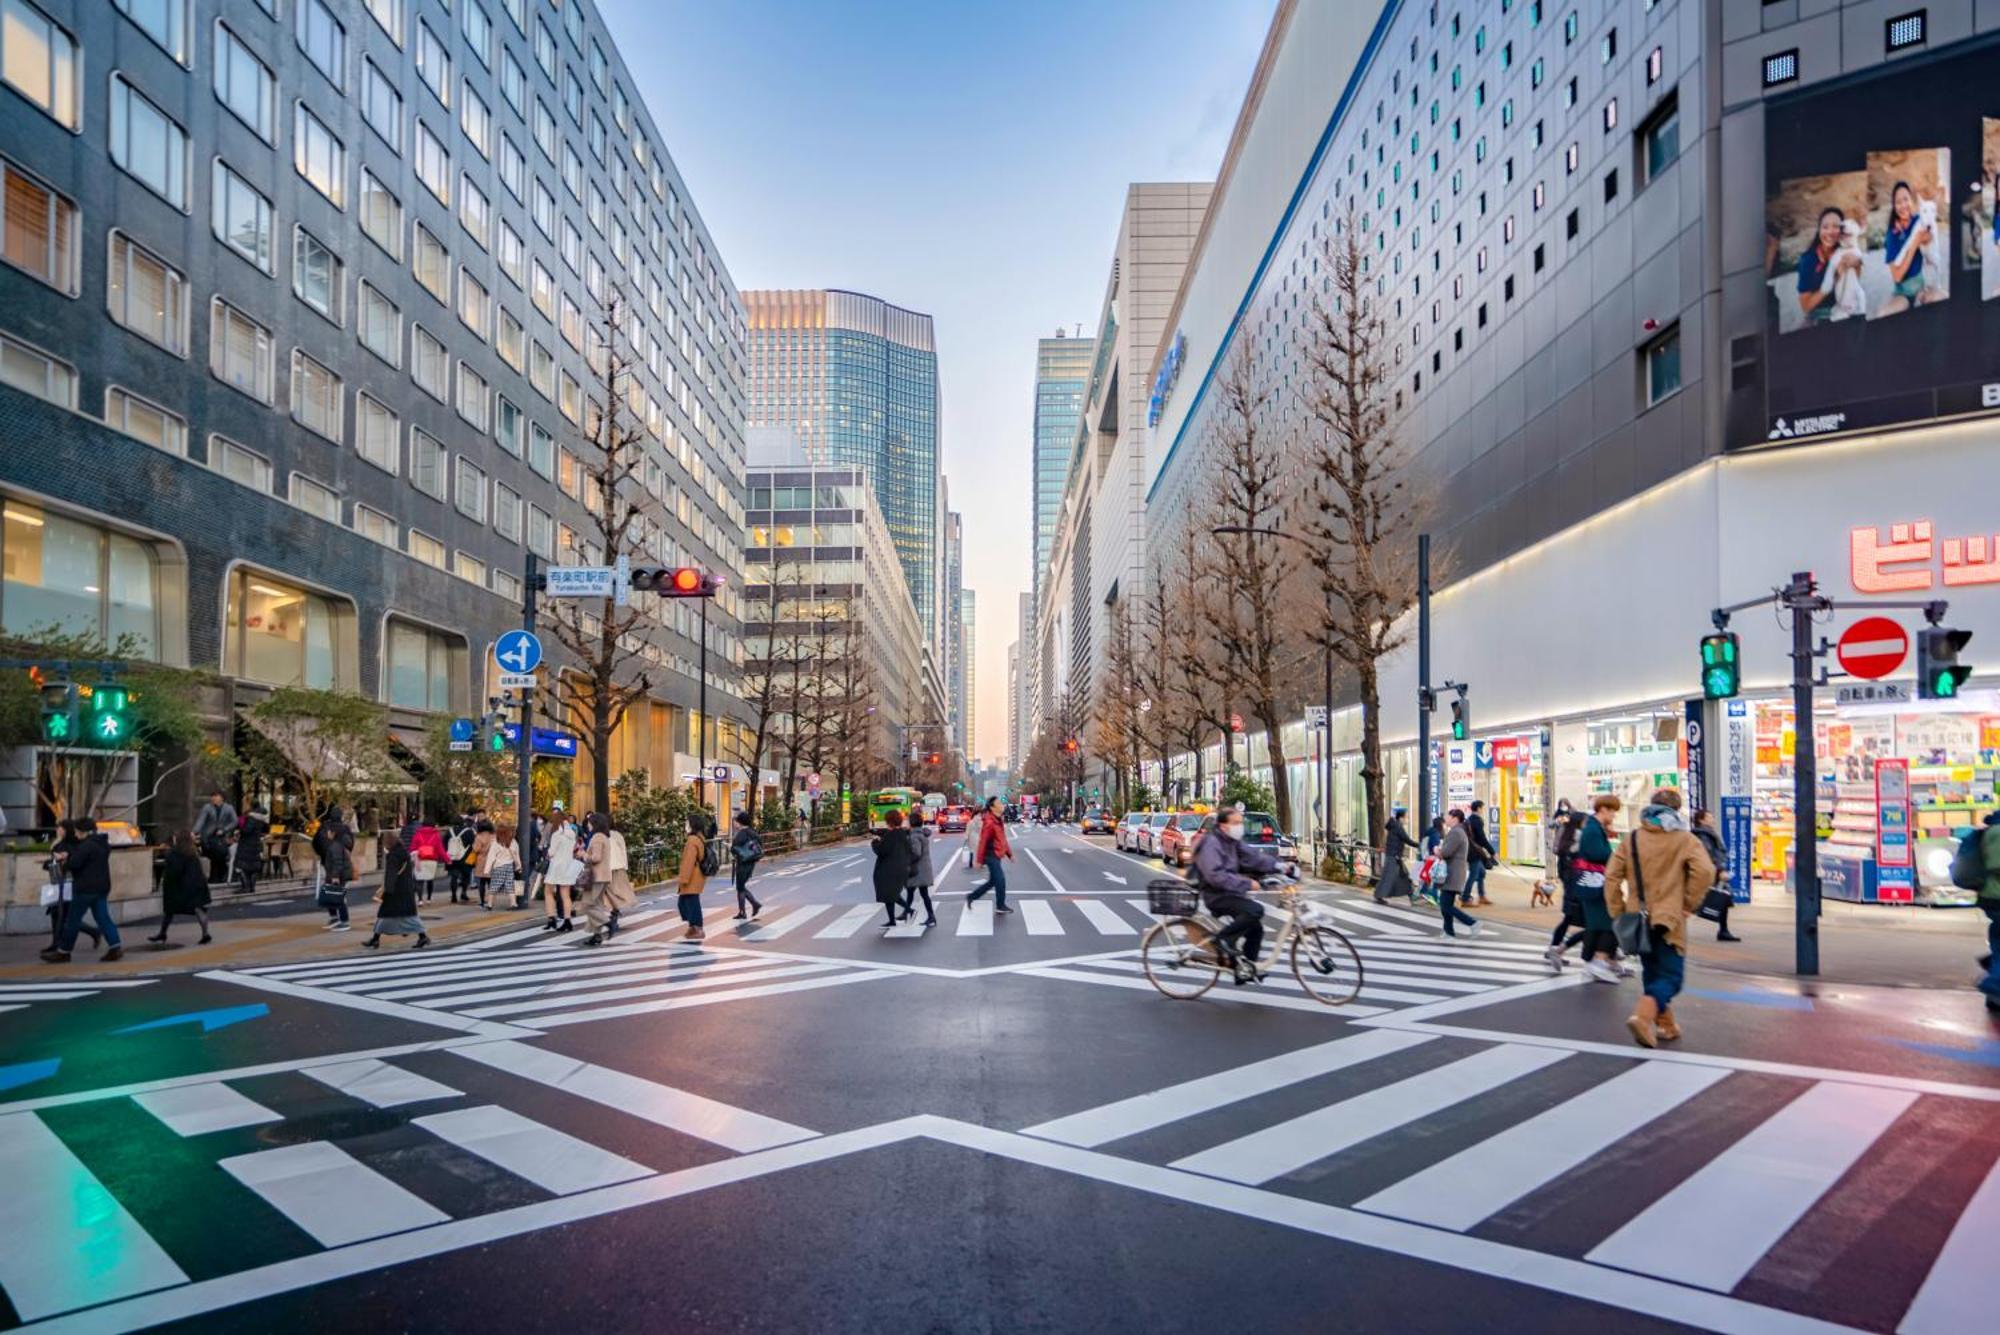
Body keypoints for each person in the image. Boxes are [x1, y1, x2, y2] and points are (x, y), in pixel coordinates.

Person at [1604, 788, 1715, 1048]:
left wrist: (1619, 912)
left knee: (1653, 971)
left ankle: (1666, 1025)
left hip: (1636, 916)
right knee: (1672, 978)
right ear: (1676, 811)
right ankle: (1642, 1017)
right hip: (1669, 918)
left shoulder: (1631, 839)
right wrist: (1689, 902)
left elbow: (1611, 877)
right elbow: (1705, 871)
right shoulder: (1684, 839)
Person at [1192, 808, 1283, 985]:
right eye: (1235, 823)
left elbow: (1255, 858)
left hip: (1230, 893)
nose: (1239, 827)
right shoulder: (1212, 843)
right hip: (1216, 895)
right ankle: (1222, 940)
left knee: (1256, 928)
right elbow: (1215, 876)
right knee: (1256, 910)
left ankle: (1245, 969)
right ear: (1222, 826)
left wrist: (1281, 867)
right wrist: (1248, 884)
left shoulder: (1233, 842)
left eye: (1241, 823)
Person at [41, 818, 122, 963]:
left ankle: (64, 952)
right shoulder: (102, 844)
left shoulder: (86, 846)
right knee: (103, 918)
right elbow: (87, 860)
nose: (76, 834)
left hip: (85, 888)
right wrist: (70, 856)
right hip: (102, 886)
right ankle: (115, 946)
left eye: (77, 831)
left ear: (83, 831)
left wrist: (64, 860)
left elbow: (74, 864)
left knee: (72, 920)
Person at [1573, 795, 1625, 981]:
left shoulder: (1594, 827)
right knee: (1610, 922)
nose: (1613, 815)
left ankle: (1597, 962)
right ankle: (1599, 962)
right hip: (1594, 882)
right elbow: (1595, 853)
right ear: (1603, 809)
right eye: (1612, 811)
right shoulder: (1593, 829)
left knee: (1596, 925)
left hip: (1592, 882)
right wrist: (1614, 854)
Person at [1876, 180, 1939, 316]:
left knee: (1943, 297)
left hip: (1922, 288)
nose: (1903, 205)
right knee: (1883, 314)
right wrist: (1915, 243)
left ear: (1912, 201)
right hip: (1903, 294)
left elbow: (1929, 235)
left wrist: (1925, 237)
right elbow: (1897, 276)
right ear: (1894, 206)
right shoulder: (1891, 235)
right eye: (1898, 202)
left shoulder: (1918, 219)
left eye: (1906, 199)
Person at [1795, 207, 1864, 324]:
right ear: (1819, 230)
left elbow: (1855, 282)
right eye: (1825, 227)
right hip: (1818, 314)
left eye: (1836, 226)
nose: (1830, 231)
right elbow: (1806, 306)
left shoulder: (1846, 251)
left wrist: (1857, 264)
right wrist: (1832, 281)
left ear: (1842, 230)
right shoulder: (1807, 260)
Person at [364, 830, 431, 950]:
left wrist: (387, 891)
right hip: (405, 889)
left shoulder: (393, 856)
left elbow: (391, 875)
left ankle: (423, 936)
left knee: (394, 915)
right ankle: (375, 939)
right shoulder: (403, 853)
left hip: (395, 891)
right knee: (395, 915)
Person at [42, 819, 101, 953]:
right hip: (60, 882)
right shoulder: (64, 843)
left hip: (67, 883)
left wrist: (55, 861)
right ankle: (56, 943)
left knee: (64, 916)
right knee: (58, 914)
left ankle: (90, 933)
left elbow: (70, 862)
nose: (58, 830)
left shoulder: (66, 845)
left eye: (60, 827)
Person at [1544, 806, 1590, 971]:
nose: (1587, 825)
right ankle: (1600, 956)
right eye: (1585, 822)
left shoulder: (1567, 842)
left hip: (1572, 888)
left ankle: (1554, 949)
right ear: (1579, 824)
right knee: (1587, 923)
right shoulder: (1577, 844)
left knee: (1569, 920)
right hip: (1577, 888)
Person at [150, 831, 212, 946]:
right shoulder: (193, 852)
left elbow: (173, 872)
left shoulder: (174, 853)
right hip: (196, 885)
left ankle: (163, 932)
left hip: (179, 887)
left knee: (169, 910)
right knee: (199, 909)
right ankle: (205, 934)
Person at [581, 812, 633, 946]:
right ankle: (596, 935)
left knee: (587, 904)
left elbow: (596, 858)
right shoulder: (605, 836)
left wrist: (583, 855)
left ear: (595, 824)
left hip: (596, 876)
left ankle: (608, 923)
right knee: (596, 904)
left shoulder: (597, 837)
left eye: (590, 822)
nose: (588, 824)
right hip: (604, 876)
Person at [1691, 807, 1739, 942]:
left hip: (1713, 871)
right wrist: (1719, 870)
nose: (1712, 819)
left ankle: (1723, 929)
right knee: (1718, 898)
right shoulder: (1703, 835)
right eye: (1709, 817)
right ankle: (1723, 930)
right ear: (1701, 820)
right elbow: (1710, 854)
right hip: (1713, 871)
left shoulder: (1708, 833)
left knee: (1722, 898)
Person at [1435, 809, 1482, 939]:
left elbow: (1446, 853)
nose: (1446, 819)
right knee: (1446, 904)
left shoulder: (1456, 833)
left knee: (1445, 904)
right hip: (1453, 873)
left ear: (1455, 818)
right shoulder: (1458, 831)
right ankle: (1448, 932)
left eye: (1448, 816)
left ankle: (1472, 923)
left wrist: (1436, 850)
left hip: (1453, 874)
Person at [1971, 810, 2000, 1013]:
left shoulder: (1987, 831)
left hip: (1989, 897)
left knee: (1998, 937)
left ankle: (1993, 991)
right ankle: (1993, 981)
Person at [964, 797, 1014, 915]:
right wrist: (979, 860)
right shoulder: (990, 822)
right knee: (1000, 879)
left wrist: (1009, 854)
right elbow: (983, 841)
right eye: (999, 803)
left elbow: (1002, 840)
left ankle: (971, 896)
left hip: (996, 854)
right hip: (990, 855)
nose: (1002, 805)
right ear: (992, 807)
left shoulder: (997, 820)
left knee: (993, 881)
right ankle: (1000, 905)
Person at [871, 809, 917, 929]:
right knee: (890, 894)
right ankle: (892, 920)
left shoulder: (890, 835)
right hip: (901, 868)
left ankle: (909, 910)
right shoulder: (902, 834)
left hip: (889, 869)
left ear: (889, 821)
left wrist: (875, 843)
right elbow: (909, 851)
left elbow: (881, 851)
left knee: (890, 894)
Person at [540, 811, 584, 932]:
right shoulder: (571, 833)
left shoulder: (557, 834)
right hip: (568, 865)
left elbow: (551, 852)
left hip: (556, 866)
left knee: (548, 892)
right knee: (565, 895)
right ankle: (567, 921)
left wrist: (547, 854)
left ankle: (551, 918)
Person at [314, 806, 355, 932]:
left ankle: (341, 919)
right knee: (335, 891)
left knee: (333, 892)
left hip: (333, 866)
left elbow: (316, 843)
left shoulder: (326, 829)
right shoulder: (346, 830)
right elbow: (351, 844)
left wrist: (323, 856)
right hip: (342, 865)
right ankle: (337, 919)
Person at [675, 812, 709, 941]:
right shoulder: (699, 838)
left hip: (692, 876)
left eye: (687, 823)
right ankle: (692, 927)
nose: (685, 825)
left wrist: (683, 879)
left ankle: (698, 928)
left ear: (692, 825)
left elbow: (688, 861)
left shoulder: (692, 840)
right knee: (687, 901)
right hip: (697, 875)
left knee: (690, 902)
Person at [193, 790, 238, 884]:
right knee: (215, 854)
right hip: (208, 837)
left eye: (216, 796)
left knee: (220, 854)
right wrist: (194, 832)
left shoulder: (228, 808)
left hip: (221, 836)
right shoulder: (207, 807)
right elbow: (200, 821)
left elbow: (235, 821)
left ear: (221, 798)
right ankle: (218, 876)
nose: (213, 798)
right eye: (212, 796)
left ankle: (216, 877)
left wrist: (225, 829)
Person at [1375, 805, 1418, 903]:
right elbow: (1407, 840)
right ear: (1401, 817)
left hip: (1394, 856)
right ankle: (1380, 895)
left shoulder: (1394, 826)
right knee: (1389, 877)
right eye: (1406, 817)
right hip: (1394, 857)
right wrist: (1419, 845)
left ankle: (1411, 895)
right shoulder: (1398, 827)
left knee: (1403, 876)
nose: (1407, 819)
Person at [902, 808, 937, 927]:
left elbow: (916, 853)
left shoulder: (914, 836)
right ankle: (907, 912)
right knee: (913, 892)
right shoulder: (921, 833)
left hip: (917, 869)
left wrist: (907, 861)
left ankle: (930, 916)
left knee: (917, 892)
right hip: (923, 869)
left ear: (911, 823)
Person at [729, 810, 765, 920]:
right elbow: (759, 845)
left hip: (743, 863)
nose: (734, 824)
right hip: (751, 863)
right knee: (741, 887)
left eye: (735, 821)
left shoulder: (741, 834)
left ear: (740, 822)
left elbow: (735, 849)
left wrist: (729, 846)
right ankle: (752, 906)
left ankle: (746, 909)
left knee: (740, 887)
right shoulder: (752, 832)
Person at [483, 820, 521, 910]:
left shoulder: (496, 843)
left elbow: (491, 857)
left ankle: (489, 905)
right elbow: (516, 855)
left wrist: (487, 870)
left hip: (498, 867)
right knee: (510, 885)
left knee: (494, 886)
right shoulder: (513, 842)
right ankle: (513, 903)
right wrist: (519, 866)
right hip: (509, 867)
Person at [1465, 800, 1496, 906]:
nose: (1483, 810)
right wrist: (1492, 851)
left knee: (1481, 873)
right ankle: (1465, 898)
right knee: (1473, 875)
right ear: (1478, 808)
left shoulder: (1469, 819)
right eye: (1482, 808)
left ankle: (1482, 896)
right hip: (1475, 851)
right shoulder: (1477, 821)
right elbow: (1482, 838)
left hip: (1473, 850)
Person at [235, 803, 270, 895]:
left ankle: (245, 887)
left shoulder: (252, 818)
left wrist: (240, 830)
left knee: (240, 866)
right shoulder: (262, 820)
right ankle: (252, 887)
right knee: (253, 867)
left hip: (247, 845)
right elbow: (266, 830)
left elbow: (247, 830)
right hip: (256, 845)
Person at [448, 809, 482, 903]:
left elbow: (444, 843)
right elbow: (473, 844)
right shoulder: (468, 831)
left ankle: (454, 895)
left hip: (452, 857)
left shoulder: (449, 831)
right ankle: (463, 893)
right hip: (465, 858)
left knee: (454, 876)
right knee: (465, 876)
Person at [410, 818, 448, 903]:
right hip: (432, 860)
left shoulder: (417, 833)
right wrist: (447, 859)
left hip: (420, 859)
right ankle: (429, 898)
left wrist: (413, 856)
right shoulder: (436, 835)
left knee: (419, 880)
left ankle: (420, 900)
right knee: (430, 879)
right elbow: (440, 849)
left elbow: (412, 847)